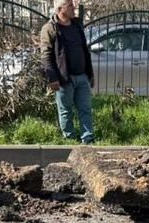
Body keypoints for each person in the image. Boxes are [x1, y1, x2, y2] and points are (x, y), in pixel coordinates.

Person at [40, 0, 94, 144]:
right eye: (69, 5)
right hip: (64, 78)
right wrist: (52, 78)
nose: (73, 7)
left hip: (82, 75)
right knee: (65, 111)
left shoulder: (77, 25)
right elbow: (45, 55)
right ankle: (70, 141)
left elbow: (84, 50)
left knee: (85, 109)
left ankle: (88, 139)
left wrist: (90, 74)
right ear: (60, 9)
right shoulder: (49, 28)